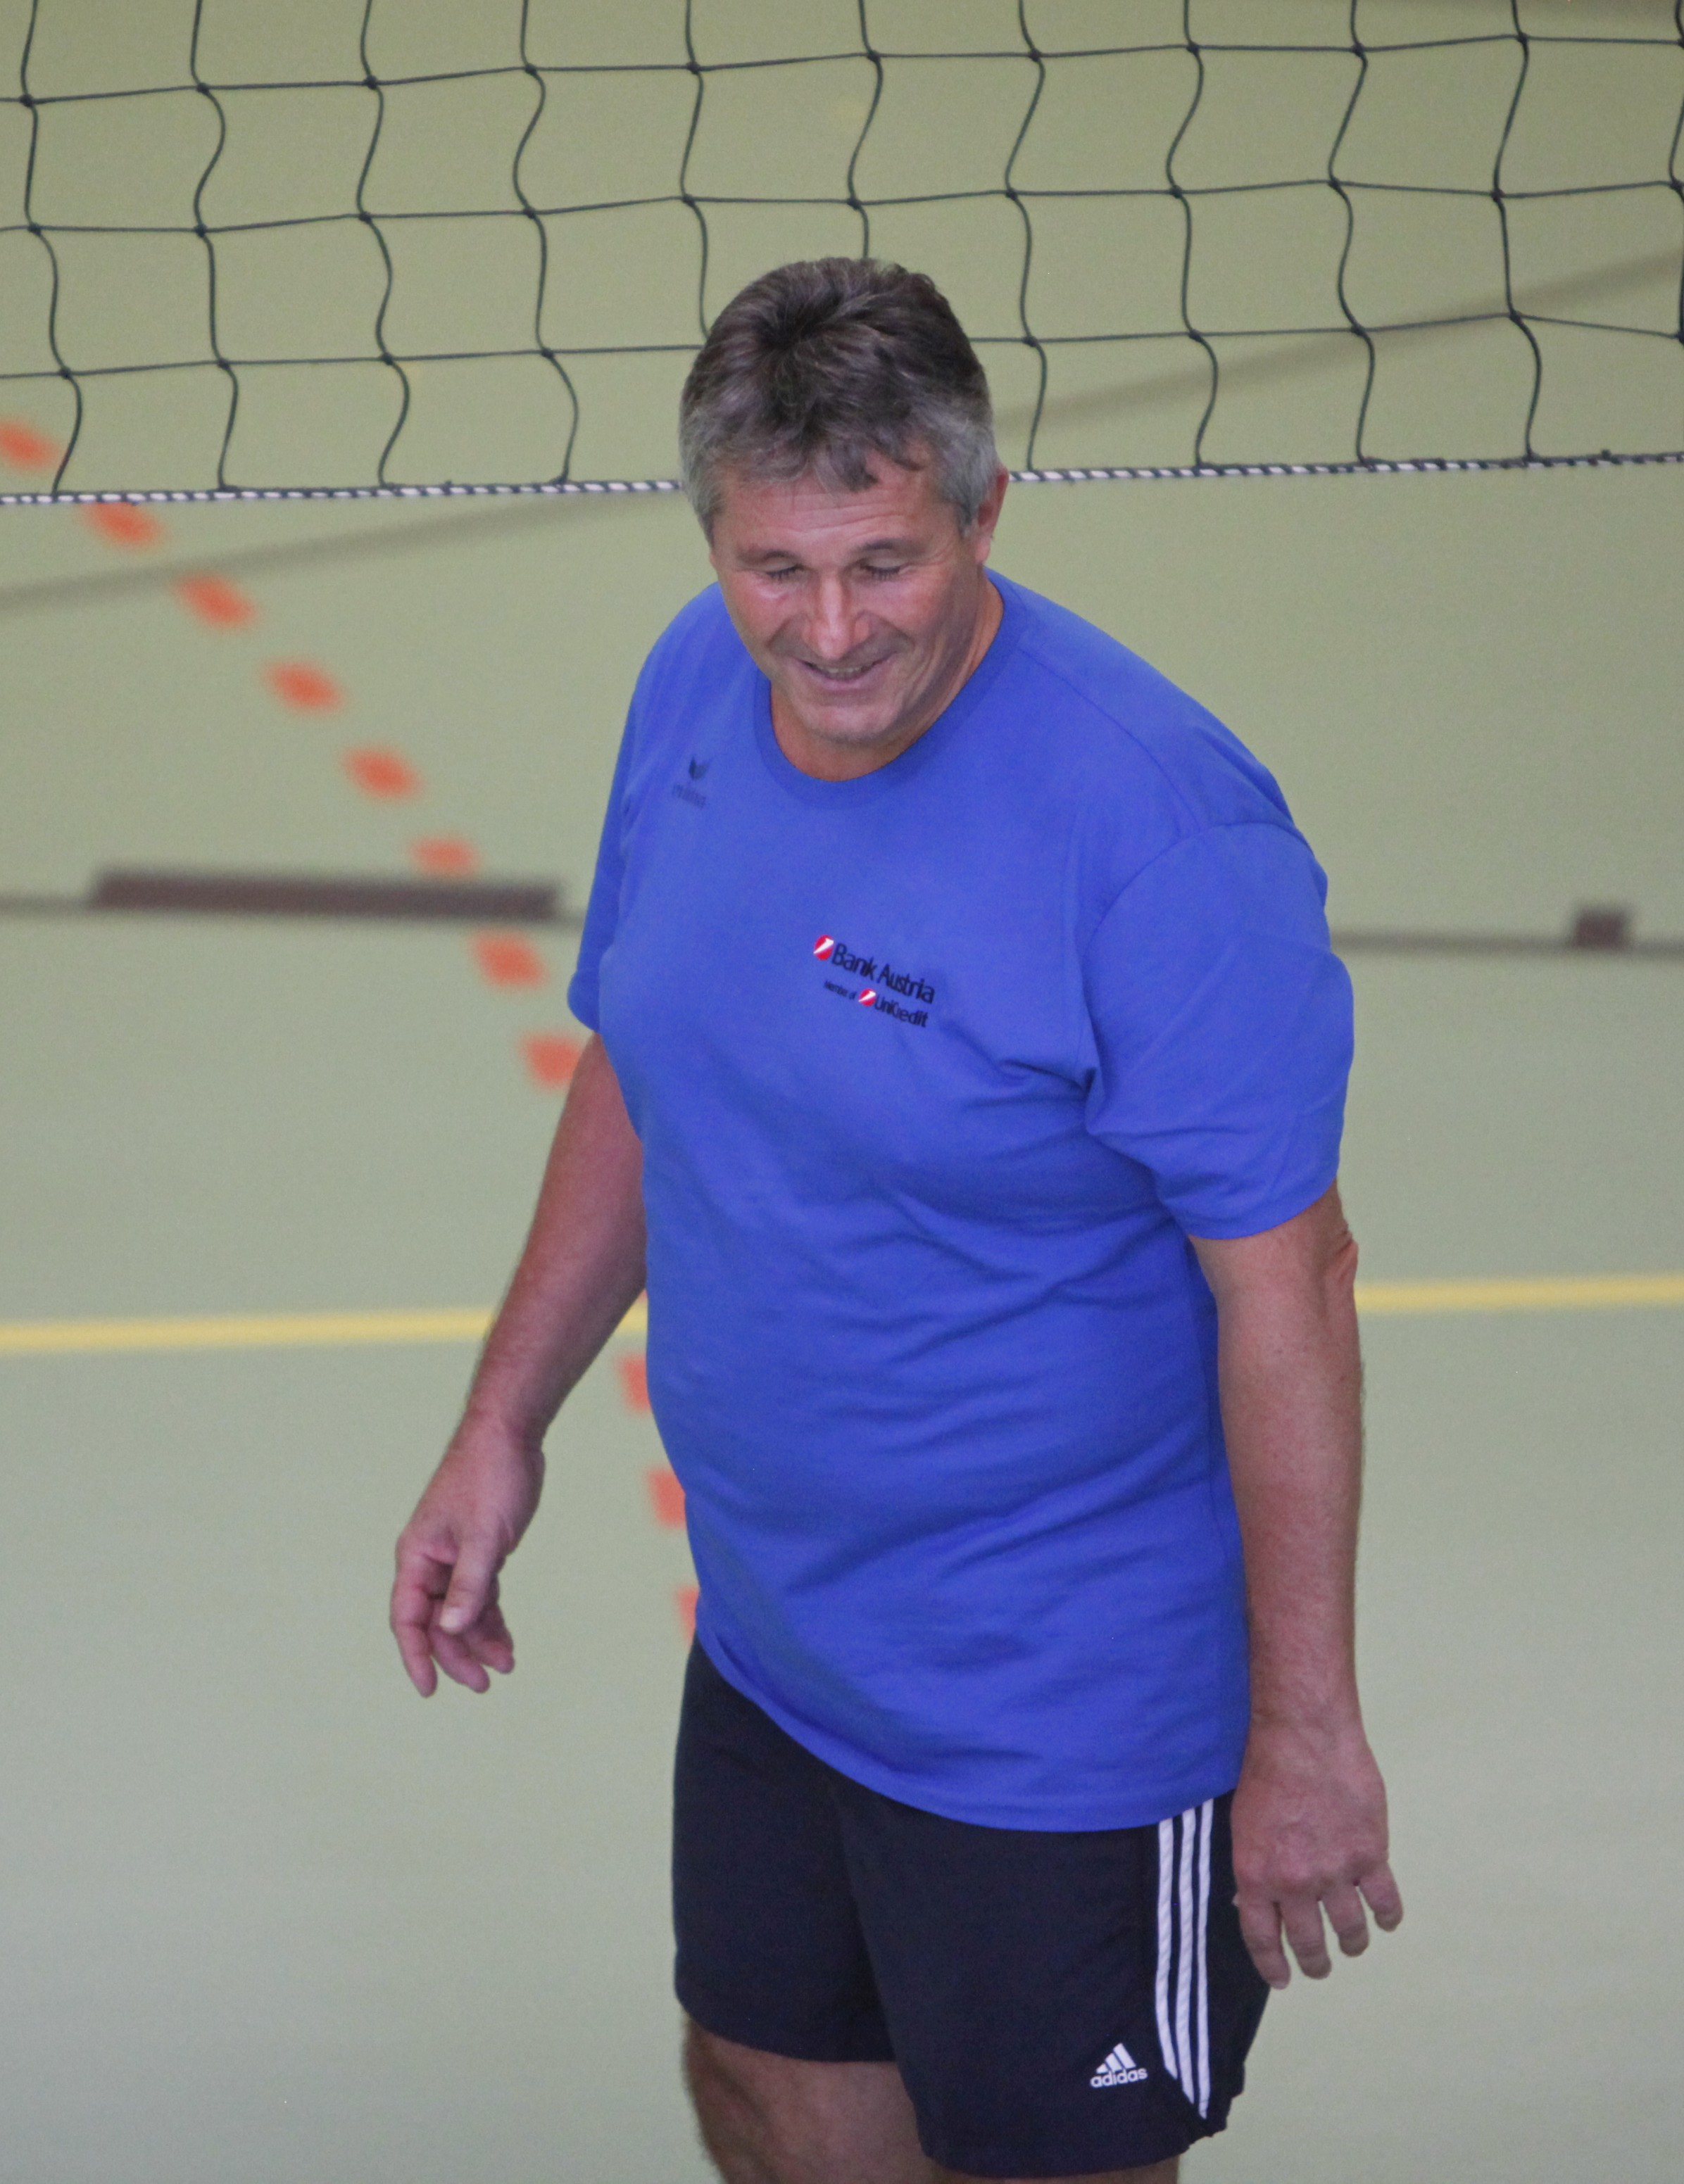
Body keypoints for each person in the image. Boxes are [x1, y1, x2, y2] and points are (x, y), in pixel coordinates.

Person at [391, 258, 1402, 2184]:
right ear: (713, 537)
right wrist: (501, 1418)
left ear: (984, 512)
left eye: (885, 563)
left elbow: (1296, 1289)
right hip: (781, 1645)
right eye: (776, 568)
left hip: (1064, 1708)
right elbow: (645, 1055)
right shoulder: (697, 687)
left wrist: (1308, 1732)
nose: (833, 631)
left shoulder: (1162, 835)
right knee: (767, 2104)